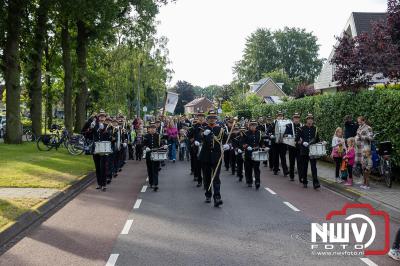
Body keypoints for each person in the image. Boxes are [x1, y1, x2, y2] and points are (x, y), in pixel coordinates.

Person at [199, 110, 226, 207]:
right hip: (205, 156)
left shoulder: (221, 130)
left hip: (216, 157)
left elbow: (227, 140)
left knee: (216, 178)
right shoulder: (203, 129)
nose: (212, 119)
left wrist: (228, 145)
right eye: (210, 117)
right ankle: (208, 194)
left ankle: (217, 197)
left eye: (214, 117)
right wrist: (203, 135)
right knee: (207, 178)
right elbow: (199, 138)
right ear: (207, 119)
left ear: (216, 119)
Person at [298, 113, 323, 189]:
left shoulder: (315, 129)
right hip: (304, 150)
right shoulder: (301, 128)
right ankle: (305, 181)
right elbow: (297, 139)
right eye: (309, 119)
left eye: (311, 119)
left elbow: (317, 140)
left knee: (313, 167)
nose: (310, 120)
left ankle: (315, 183)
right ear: (306, 120)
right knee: (304, 167)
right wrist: (302, 142)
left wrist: (322, 142)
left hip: (312, 151)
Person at [89, 110, 110, 192]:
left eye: (103, 116)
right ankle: (99, 184)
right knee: (97, 167)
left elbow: (110, 137)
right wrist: (91, 127)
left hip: (104, 149)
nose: (101, 118)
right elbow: (88, 134)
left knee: (103, 167)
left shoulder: (108, 126)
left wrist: (105, 130)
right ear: (98, 117)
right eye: (100, 116)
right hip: (96, 149)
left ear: (105, 118)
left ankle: (104, 184)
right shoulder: (95, 125)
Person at [144, 122, 168, 191]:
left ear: (155, 129)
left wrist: (164, 146)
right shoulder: (146, 136)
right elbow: (143, 144)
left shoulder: (158, 136)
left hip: (156, 155)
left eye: (154, 128)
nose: (152, 130)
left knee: (155, 169)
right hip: (148, 155)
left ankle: (155, 184)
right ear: (149, 129)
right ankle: (151, 182)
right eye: (151, 128)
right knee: (150, 169)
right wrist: (146, 147)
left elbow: (161, 144)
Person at [243, 119, 263, 189]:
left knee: (257, 168)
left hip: (256, 152)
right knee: (248, 168)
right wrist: (247, 146)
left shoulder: (259, 133)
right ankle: (249, 181)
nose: (253, 126)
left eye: (254, 125)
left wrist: (264, 147)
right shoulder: (245, 133)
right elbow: (242, 143)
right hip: (248, 153)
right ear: (249, 125)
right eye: (251, 125)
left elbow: (261, 142)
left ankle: (257, 182)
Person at [284, 113, 302, 182]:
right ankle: (291, 176)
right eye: (295, 118)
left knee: (300, 162)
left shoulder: (301, 126)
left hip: (299, 147)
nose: (296, 119)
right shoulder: (289, 126)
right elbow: (285, 134)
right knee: (292, 162)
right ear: (293, 119)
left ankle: (301, 177)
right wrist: (289, 135)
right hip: (291, 146)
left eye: (298, 118)